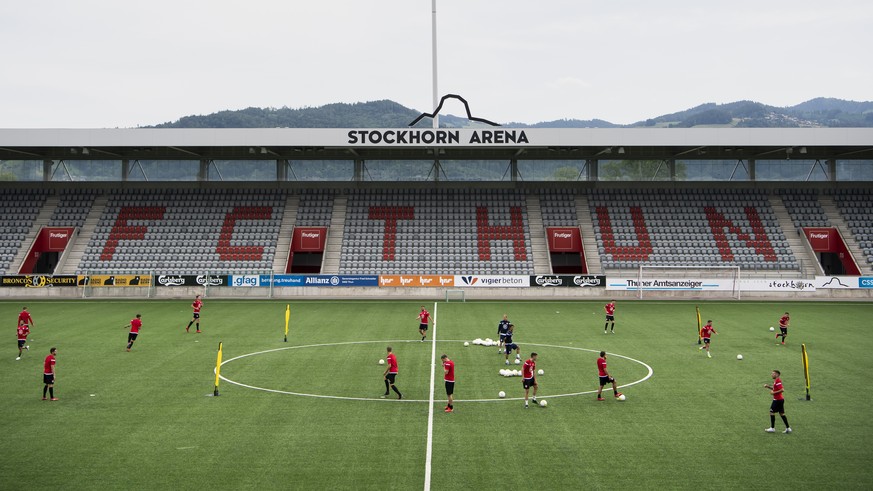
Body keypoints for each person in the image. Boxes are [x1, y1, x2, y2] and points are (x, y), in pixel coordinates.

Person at [764, 370, 792, 434]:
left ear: (777, 374)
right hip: (780, 400)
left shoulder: (778, 381)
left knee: (771, 412)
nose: (772, 375)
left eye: (773, 374)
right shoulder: (776, 381)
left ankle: (772, 428)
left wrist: (773, 393)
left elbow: (782, 389)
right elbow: (775, 388)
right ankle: (788, 428)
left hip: (777, 400)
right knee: (782, 413)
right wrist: (768, 387)